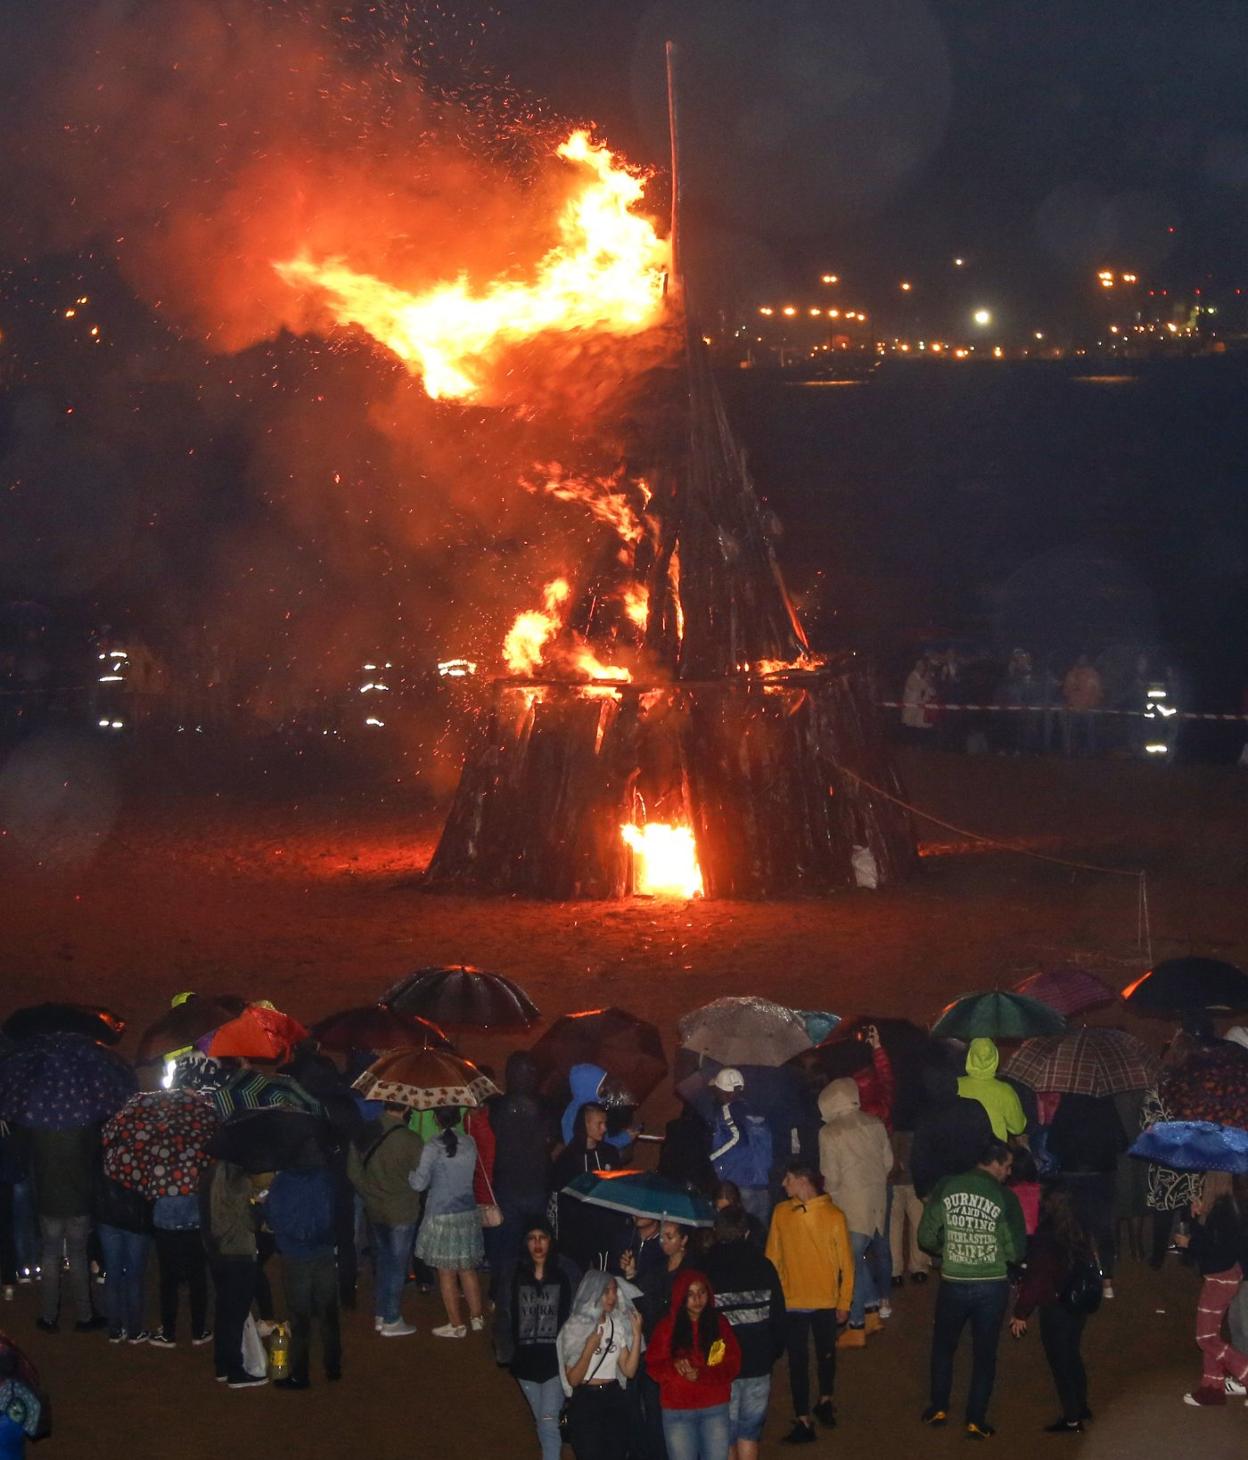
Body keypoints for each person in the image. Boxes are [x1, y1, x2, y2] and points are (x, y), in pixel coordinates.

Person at [918, 1139, 1026, 1439]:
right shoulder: (1004, 1197)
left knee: (943, 1347)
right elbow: (1016, 1250)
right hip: (991, 1287)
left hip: (953, 1282)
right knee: (985, 1353)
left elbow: (926, 1238)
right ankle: (976, 1419)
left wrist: (949, 1248)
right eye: (1006, 1167)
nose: (1008, 1172)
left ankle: (939, 1406)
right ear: (994, 1163)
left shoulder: (946, 1187)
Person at [764, 1160, 853, 1445]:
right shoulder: (781, 1213)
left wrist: (844, 1301)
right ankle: (803, 1416)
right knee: (798, 1360)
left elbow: (847, 1265)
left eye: (787, 1179)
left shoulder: (834, 1216)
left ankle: (825, 1399)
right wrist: (775, 1298)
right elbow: (772, 1259)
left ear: (802, 1181)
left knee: (827, 1354)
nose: (783, 1185)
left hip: (825, 1299)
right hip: (793, 1301)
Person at [1008, 1182, 1097, 1433]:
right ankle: (1082, 1406)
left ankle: (1071, 1419)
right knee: (1073, 1355)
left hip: (1055, 1307)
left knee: (1060, 1364)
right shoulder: (1079, 1230)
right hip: (1077, 1304)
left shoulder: (1047, 1236)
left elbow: (1037, 1279)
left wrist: (1020, 1312)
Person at [704, 1205, 786, 1460]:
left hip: (721, 1364)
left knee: (725, 1434)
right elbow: (778, 1316)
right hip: (759, 1360)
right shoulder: (763, 1266)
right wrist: (773, 1351)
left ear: (717, 1232)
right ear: (747, 1233)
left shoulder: (706, 1268)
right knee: (749, 1433)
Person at [816, 1077, 891, 1347]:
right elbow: (888, 1162)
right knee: (859, 1261)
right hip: (877, 1202)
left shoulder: (830, 1133)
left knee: (850, 1266)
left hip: (849, 1205)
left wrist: (831, 1196)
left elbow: (831, 1175)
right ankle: (871, 1314)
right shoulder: (875, 1123)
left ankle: (856, 1325)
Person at [491, 1052, 555, 1363]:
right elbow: (549, 1141)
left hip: (508, 1191)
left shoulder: (498, 1107)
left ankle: (505, 1330)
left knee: (507, 1260)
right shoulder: (544, 1107)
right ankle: (532, 1322)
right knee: (535, 1256)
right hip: (533, 1191)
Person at [347, 1101, 424, 1337]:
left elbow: (352, 1171)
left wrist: (369, 1192)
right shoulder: (411, 1140)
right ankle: (391, 1318)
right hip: (401, 1210)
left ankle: (381, 1313)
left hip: (375, 1208)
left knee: (382, 1262)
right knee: (397, 1265)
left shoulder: (365, 1131)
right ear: (407, 1108)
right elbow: (421, 1178)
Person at [647, 1270, 742, 1460]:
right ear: (681, 1297)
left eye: (702, 1292)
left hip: (714, 1408)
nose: (697, 1299)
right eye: (690, 1294)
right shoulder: (667, 1327)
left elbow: (731, 1364)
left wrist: (702, 1375)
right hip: (678, 1410)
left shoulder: (719, 1325)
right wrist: (675, 1367)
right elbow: (652, 1366)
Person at [266, 1150, 341, 1389]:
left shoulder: (281, 1182)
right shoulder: (325, 1177)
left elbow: (274, 1216)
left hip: (295, 1254)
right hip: (323, 1250)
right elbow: (335, 1210)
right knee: (328, 1313)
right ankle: (333, 1366)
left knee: (300, 1317)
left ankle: (300, 1373)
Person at [1173, 1171, 1248, 1406]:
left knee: (1205, 1338)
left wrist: (1190, 1243)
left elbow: (1219, 1251)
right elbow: (1213, 1240)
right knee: (1212, 1334)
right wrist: (1198, 1217)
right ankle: (1212, 1387)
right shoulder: (1224, 1207)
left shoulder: (1225, 1211)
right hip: (1224, 1275)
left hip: (1220, 1278)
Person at [409, 1105, 484, 1338]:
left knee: (446, 1272)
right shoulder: (470, 1143)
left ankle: (456, 1324)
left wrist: (410, 1172)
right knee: (467, 1269)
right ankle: (477, 1317)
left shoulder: (432, 1146)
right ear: (459, 1117)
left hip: (441, 1214)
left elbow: (418, 1184)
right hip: (467, 1212)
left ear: (435, 1118)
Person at [1046, 1093, 1127, 1298]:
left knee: (1072, 1225)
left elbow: (1052, 1144)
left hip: (1072, 1172)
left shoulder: (1068, 1102)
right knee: (1103, 1226)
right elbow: (1122, 1142)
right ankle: (1107, 1281)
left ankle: (1074, 1276)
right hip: (1102, 1173)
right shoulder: (1106, 1103)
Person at [557, 1270, 643, 1460]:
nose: (612, 1297)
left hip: (613, 1398)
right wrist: (589, 1349)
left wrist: (636, 1335)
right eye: (606, 1291)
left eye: (614, 1291)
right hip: (586, 1399)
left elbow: (629, 1370)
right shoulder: (575, 1327)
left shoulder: (616, 1324)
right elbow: (573, 1379)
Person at [511, 1217, 574, 1460]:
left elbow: (570, 1319)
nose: (537, 1244)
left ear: (550, 1241)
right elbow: (506, 1316)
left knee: (548, 1425)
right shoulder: (515, 1276)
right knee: (543, 1422)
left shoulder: (562, 1276)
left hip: (553, 1365)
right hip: (525, 1365)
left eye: (543, 1238)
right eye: (532, 1238)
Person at [30, 1124, 103, 1333]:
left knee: (50, 1257)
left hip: (49, 1201)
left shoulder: (40, 1128)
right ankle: (84, 1315)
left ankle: (49, 1316)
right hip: (78, 1202)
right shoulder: (84, 1127)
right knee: (78, 1257)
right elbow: (93, 1160)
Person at [201, 1158, 266, 1388]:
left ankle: (222, 1364)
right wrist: (258, 1207)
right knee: (236, 1314)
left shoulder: (210, 1175)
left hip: (217, 1253)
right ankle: (236, 1370)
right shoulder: (238, 1183)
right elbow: (249, 1222)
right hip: (239, 1252)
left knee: (224, 1310)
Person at [551, 1102, 627, 1275]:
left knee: (605, 1275)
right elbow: (560, 1198)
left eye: (605, 1123)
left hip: (605, 1228)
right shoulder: (568, 1158)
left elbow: (619, 1188)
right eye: (599, 1124)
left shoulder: (610, 1153)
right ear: (585, 1124)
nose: (604, 1128)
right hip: (577, 1231)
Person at [910, 1058, 993, 1200]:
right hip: (972, 1184)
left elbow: (919, 1156)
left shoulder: (927, 1116)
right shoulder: (974, 1107)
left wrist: (922, 1190)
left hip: (940, 1188)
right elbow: (987, 1144)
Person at [93, 1161, 153, 1344]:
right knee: (134, 1277)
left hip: (109, 1218)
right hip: (136, 1221)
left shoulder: (107, 1155)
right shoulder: (145, 1157)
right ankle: (134, 1330)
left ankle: (115, 1329)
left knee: (113, 1274)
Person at [705, 1071, 773, 1230]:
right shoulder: (754, 1110)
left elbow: (737, 1139)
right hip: (761, 1185)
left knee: (734, 1232)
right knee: (758, 1235)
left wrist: (713, 1158)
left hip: (739, 1183)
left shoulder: (727, 1111)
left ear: (725, 1091)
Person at [149, 1189, 210, 1347]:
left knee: (168, 1281)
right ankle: (199, 1330)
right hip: (193, 1224)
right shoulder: (195, 1165)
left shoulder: (159, 1166)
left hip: (166, 1225)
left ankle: (168, 1332)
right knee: (197, 1280)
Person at [957, 1039, 1027, 1145]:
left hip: (963, 1147)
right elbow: (1018, 1127)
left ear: (969, 1056)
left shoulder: (956, 1084)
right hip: (993, 1153)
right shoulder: (1005, 1091)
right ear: (995, 1057)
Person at [887, 1127, 930, 1287]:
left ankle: (895, 1271)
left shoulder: (892, 1126)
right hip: (916, 1181)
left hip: (894, 1181)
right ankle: (919, 1267)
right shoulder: (920, 1126)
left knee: (894, 1227)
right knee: (917, 1223)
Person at [1061, 654, 1103, 757]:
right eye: (1079, 658)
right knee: (1072, 733)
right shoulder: (1071, 674)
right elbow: (1066, 692)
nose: (1081, 660)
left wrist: (1090, 705)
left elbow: (1097, 692)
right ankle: (1071, 753)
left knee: (1090, 732)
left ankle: (1091, 753)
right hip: (1073, 710)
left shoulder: (1093, 675)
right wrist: (1071, 704)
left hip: (1089, 710)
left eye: (1083, 658)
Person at [901, 657, 935, 739]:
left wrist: (929, 683)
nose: (921, 667)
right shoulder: (911, 677)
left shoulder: (922, 677)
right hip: (911, 709)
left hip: (920, 711)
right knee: (910, 731)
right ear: (915, 666)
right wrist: (928, 680)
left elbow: (932, 692)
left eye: (922, 665)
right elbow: (918, 687)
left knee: (920, 730)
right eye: (919, 665)